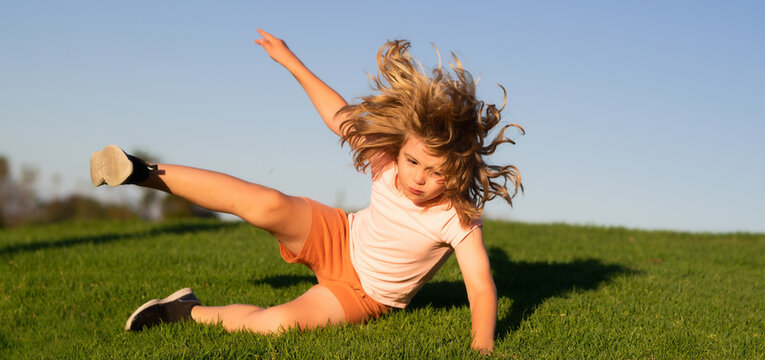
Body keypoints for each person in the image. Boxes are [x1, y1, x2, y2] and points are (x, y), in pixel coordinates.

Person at [93, 29, 522, 353]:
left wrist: (481, 349)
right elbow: (340, 116)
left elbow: (481, 286)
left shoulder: (456, 217)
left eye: (436, 172)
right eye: (413, 162)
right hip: (340, 234)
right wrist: (291, 61)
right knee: (265, 203)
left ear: (460, 170)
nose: (418, 179)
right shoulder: (389, 160)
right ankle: (139, 171)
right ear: (402, 148)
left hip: (363, 296)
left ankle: (183, 311)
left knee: (277, 325)